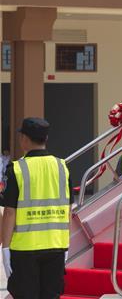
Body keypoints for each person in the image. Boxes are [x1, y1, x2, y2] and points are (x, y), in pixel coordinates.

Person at [1, 118, 73, 299]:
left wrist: (5, 248)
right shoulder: (62, 167)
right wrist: (66, 243)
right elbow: (68, 209)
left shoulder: (16, 169)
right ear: (46, 138)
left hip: (25, 249)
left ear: (24, 139)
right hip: (56, 245)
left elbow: (9, 212)